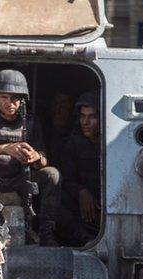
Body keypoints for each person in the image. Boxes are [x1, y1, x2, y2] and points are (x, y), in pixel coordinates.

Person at [0, 69, 62, 245]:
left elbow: (44, 159)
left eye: (15, 98)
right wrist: (5, 148)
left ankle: (47, 233)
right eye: (4, 97)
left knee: (53, 174)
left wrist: (35, 157)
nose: (10, 103)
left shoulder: (31, 122)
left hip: (22, 178)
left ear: (22, 101)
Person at [56, 91, 101, 246]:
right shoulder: (72, 144)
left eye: (92, 117)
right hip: (79, 205)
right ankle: (85, 239)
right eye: (82, 116)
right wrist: (81, 191)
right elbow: (67, 178)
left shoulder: (112, 146)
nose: (85, 122)